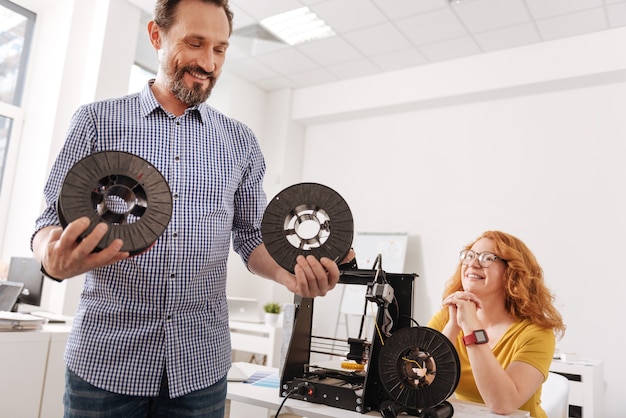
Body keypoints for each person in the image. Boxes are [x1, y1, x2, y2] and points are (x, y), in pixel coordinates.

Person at [31, 0, 351, 416]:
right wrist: (51, 259)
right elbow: (47, 224)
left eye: (219, 48)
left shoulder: (241, 142)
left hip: (199, 369)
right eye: (195, 43)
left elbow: (251, 236)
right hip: (105, 362)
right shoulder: (96, 121)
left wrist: (288, 275)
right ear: (156, 36)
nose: (207, 62)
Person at [427, 230, 565, 418]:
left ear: (513, 272)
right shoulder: (446, 319)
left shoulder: (536, 333)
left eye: (486, 258)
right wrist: (453, 327)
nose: (472, 264)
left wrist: (472, 328)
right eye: (469, 256)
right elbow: (420, 384)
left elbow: (503, 404)